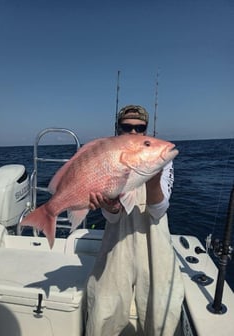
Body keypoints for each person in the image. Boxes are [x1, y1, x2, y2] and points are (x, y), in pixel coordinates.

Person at [84, 105, 184, 336]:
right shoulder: (109, 159)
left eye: (141, 128)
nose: (134, 133)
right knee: (103, 310)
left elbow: (158, 211)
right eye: (127, 128)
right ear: (118, 130)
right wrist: (110, 205)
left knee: (160, 314)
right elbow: (112, 216)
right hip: (116, 242)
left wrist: (152, 177)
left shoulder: (162, 160)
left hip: (154, 241)